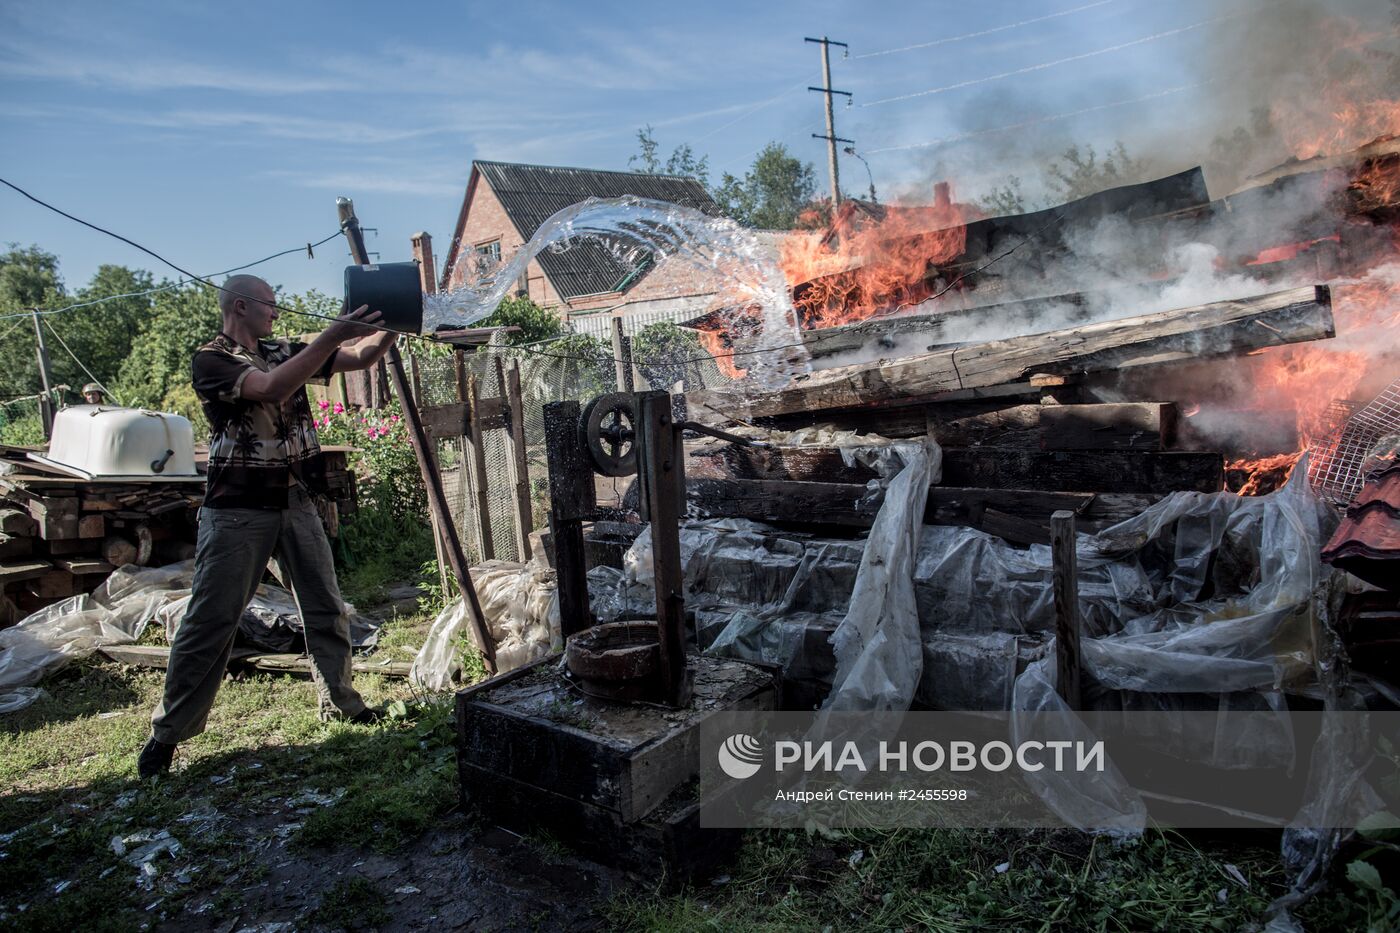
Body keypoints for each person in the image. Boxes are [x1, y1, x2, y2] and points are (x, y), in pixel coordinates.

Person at [138, 274, 398, 778]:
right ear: (240, 306)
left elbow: (362, 359)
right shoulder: (211, 359)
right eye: (269, 305)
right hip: (237, 509)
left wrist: (398, 325)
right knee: (213, 620)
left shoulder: (283, 349)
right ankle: (167, 736)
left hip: (296, 500)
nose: (276, 314)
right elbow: (273, 388)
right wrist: (332, 334)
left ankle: (342, 704)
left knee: (325, 607)